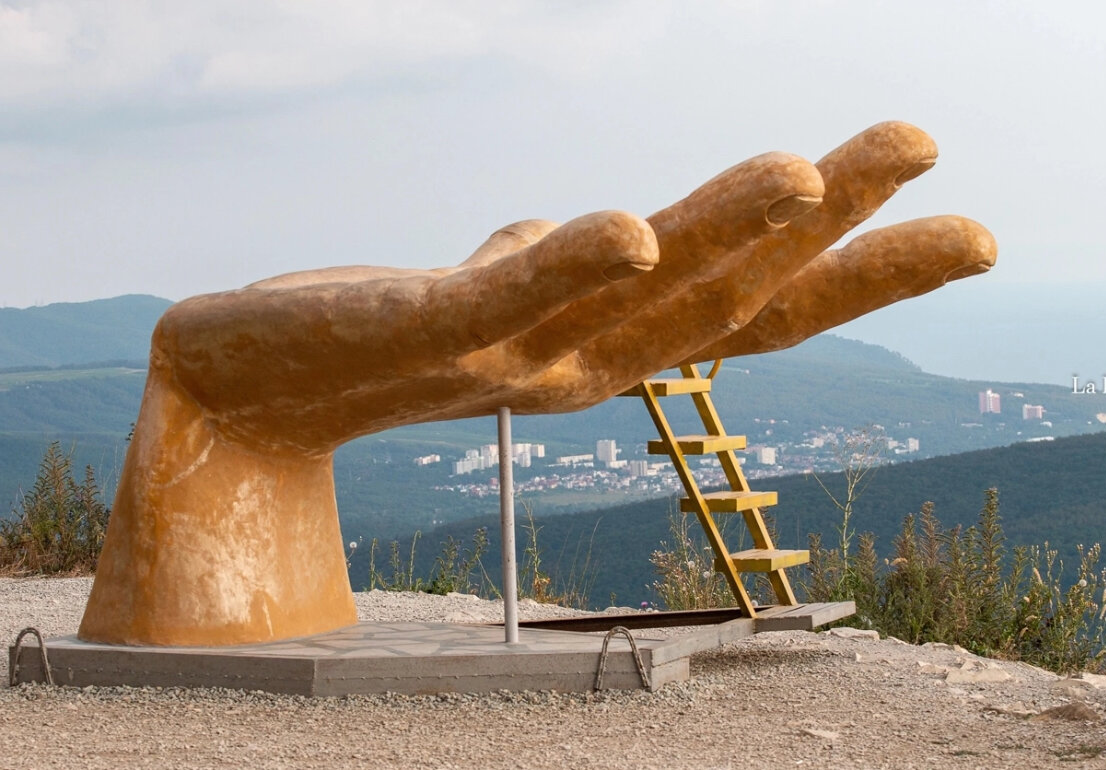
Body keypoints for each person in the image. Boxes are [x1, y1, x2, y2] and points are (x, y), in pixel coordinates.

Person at [78, 121, 996, 646]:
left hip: (241, 408)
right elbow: (425, 326)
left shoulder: (244, 375)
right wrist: (208, 368)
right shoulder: (214, 351)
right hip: (224, 392)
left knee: (571, 322)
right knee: (481, 327)